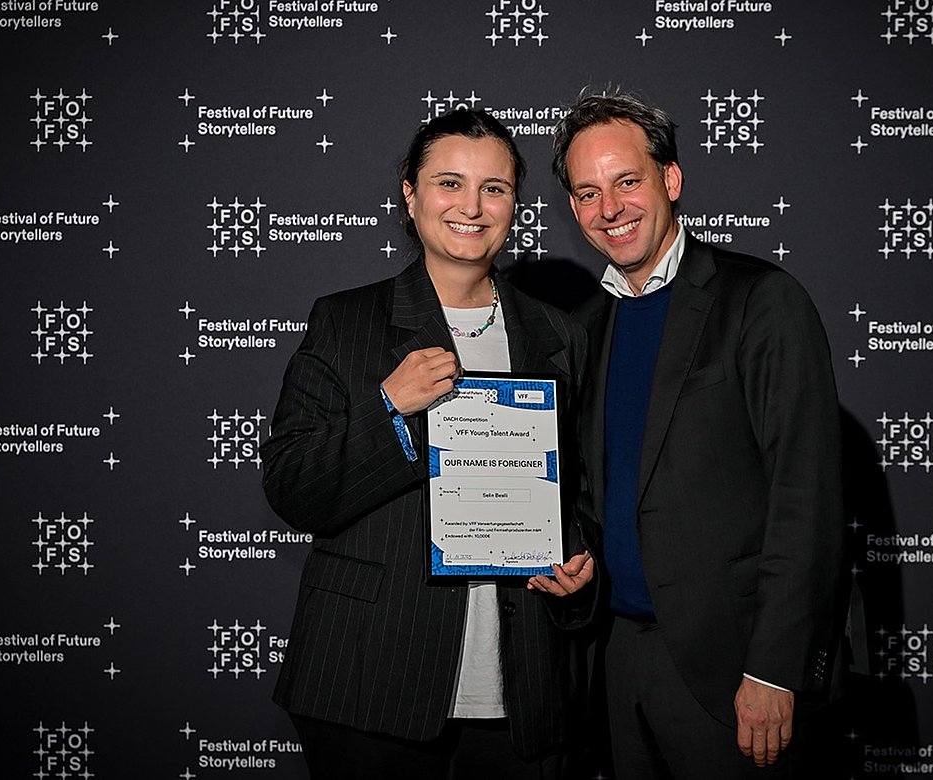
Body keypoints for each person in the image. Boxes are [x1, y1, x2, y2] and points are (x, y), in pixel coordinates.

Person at [262, 108, 594, 779]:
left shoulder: (558, 334)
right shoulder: (347, 322)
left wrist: (577, 556)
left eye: (494, 188)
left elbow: (581, 490)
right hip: (368, 681)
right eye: (449, 183)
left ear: (514, 205)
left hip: (520, 691)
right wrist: (390, 407)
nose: (471, 206)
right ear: (410, 195)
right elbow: (294, 489)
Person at [551, 90, 847, 778]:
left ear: (671, 178)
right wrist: (569, 553)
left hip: (734, 670)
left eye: (628, 181)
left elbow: (806, 496)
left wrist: (775, 669)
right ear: (574, 208)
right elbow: (599, 490)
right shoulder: (586, 328)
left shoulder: (760, 300)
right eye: (589, 193)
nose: (611, 208)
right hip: (619, 663)